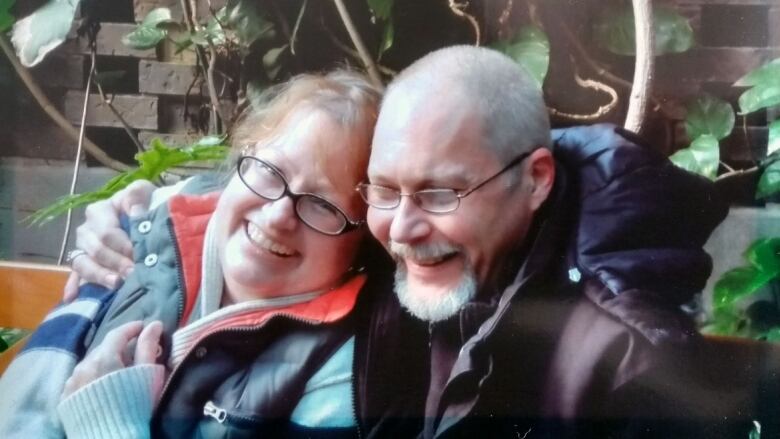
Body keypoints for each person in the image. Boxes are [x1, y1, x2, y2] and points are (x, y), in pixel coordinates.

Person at [54, 46, 748, 437]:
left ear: (535, 181)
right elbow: (268, 183)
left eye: (439, 194)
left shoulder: (630, 362)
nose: (404, 230)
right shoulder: (401, 265)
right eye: (382, 191)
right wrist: (137, 210)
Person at [0, 70, 426, 438]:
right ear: (246, 154)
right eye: (270, 170)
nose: (278, 214)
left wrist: (108, 426)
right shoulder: (141, 238)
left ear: (362, 239)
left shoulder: (344, 369)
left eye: (322, 204)